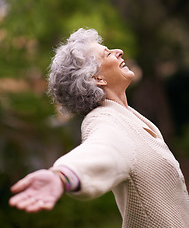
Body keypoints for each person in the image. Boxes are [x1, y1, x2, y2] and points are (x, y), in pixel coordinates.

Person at [9, 28, 189, 227]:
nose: (119, 51)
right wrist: (63, 175)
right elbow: (102, 149)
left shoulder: (128, 116)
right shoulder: (104, 120)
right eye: (107, 53)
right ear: (97, 79)